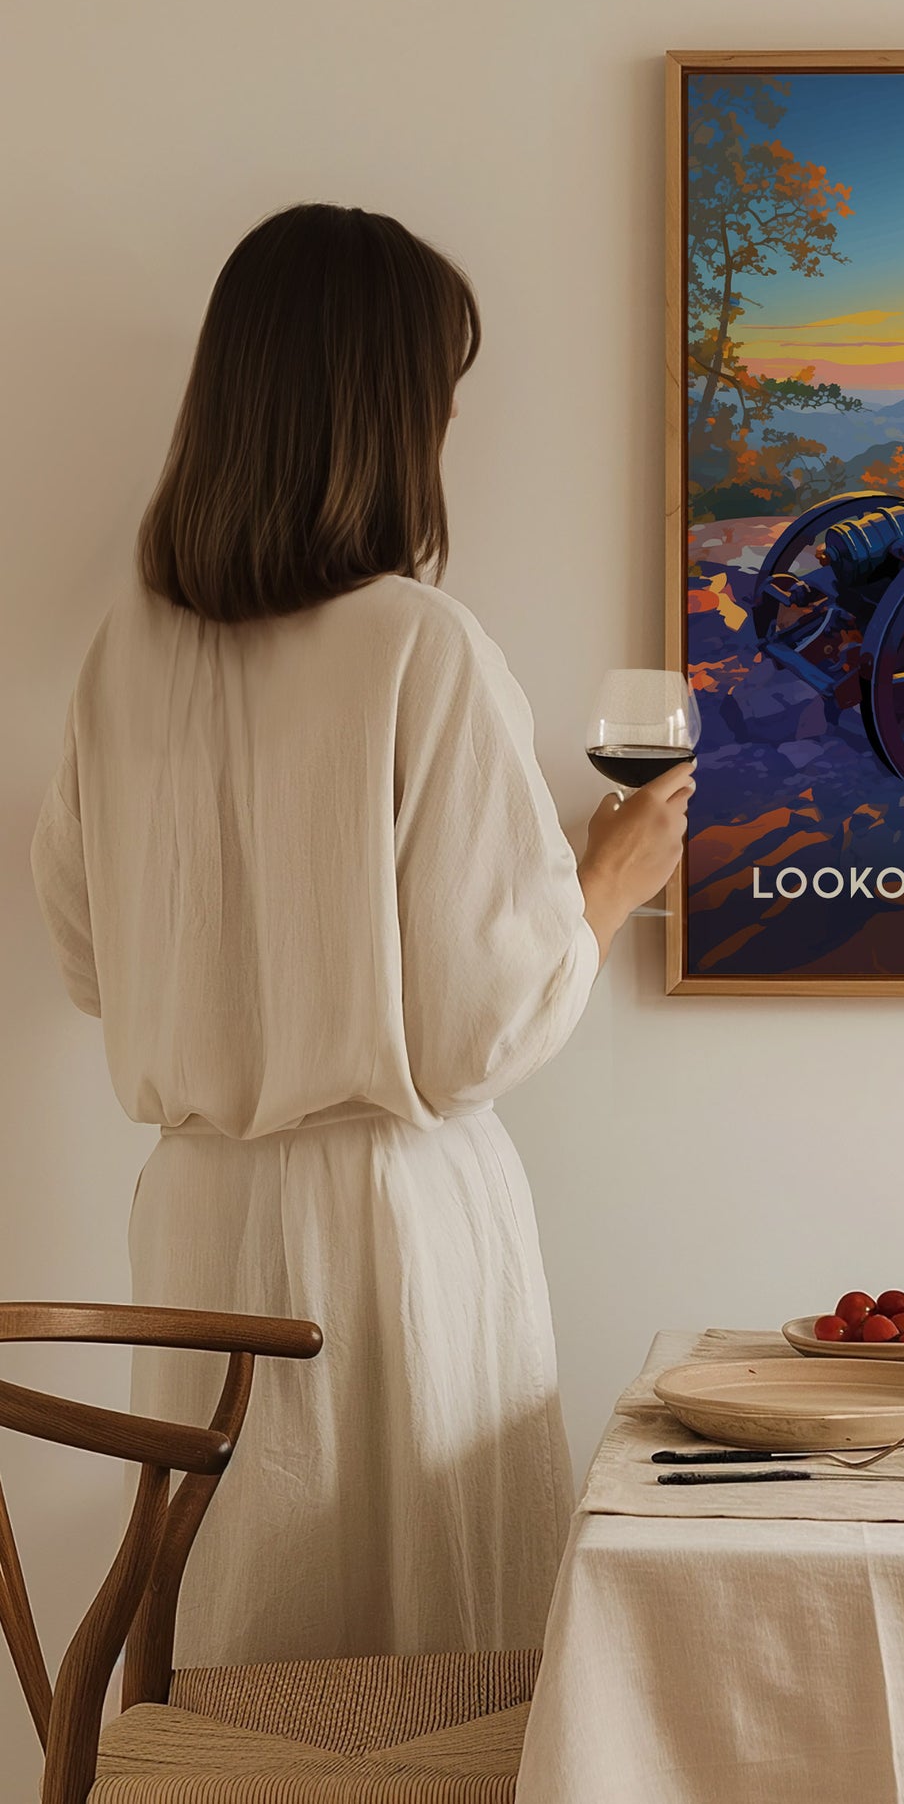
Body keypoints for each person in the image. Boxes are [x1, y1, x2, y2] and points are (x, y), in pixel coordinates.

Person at [29, 203, 689, 1664]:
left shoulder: (123, 655)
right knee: (422, 1667)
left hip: (198, 1218)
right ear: (388, 414)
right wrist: (606, 878)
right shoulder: (417, 643)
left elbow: (87, 959)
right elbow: (474, 1032)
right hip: (390, 1229)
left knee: (241, 1646)